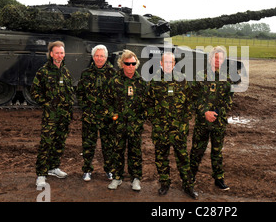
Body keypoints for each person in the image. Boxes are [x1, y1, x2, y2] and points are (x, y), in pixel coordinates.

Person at [147, 52, 198, 199]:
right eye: (166, 62)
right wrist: (154, 120)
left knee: (183, 158)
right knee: (161, 157)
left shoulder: (182, 80)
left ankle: (188, 186)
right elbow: (149, 103)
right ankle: (164, 184)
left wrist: (184, 121)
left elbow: (190, 102)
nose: (168, 65)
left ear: (174, 64)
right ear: (161, 64)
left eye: (171, 62)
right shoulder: (154, 80)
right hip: (160, 128)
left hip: (178, 129)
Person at [31, 41, 75, 188]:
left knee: (59, 142)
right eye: (57, 53)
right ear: (51, 54)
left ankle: (53, 168)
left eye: (62, 53)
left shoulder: (66, 71)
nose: (59, 55)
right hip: (51, 116)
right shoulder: (43, 72)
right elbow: (34, 92)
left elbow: (70, 92)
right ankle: (41, 174)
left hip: (64, 115)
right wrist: (46, 104)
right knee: (46, 144)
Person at [190, 46, 234, 191]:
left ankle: (219, 178)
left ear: (223, 61)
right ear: (210, 59)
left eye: (220, 58)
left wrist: (217, 113)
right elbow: (193, 99)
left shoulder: (227, 79)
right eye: (215, 57)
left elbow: (229, 101)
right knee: (197, 150)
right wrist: (205, 112)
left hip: (218, 122)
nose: (217, 60)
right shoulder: (199, 76)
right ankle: (191, 177)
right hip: (202, 122)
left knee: (217, 151)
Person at [107, 50, 148, 191]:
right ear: (122, 64)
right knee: (117, 151)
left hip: (135, 125)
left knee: (135, 152)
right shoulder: (114, 81)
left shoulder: (141, 83)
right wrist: (113, 115)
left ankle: (135, 179)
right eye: (127, 63)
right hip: (118, 125)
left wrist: (141, 119)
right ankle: (117, 177)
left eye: (133, 63)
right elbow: (108, 101)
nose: (131, 66)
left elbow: (146, 104)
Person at [76, 45, 117, 182]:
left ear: (106, 58)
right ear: (93, 57)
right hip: (90, 117)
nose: (99, 59)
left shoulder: (113, 73)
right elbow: (80, 93)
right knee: (88, 145)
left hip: (107, 118)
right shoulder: (86, 73)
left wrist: (112, 112)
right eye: (97, 56)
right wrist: (85, 108)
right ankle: (87, 170)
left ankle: (110, 170)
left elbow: (118, 96)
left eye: (102, 56)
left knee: (109, 146)